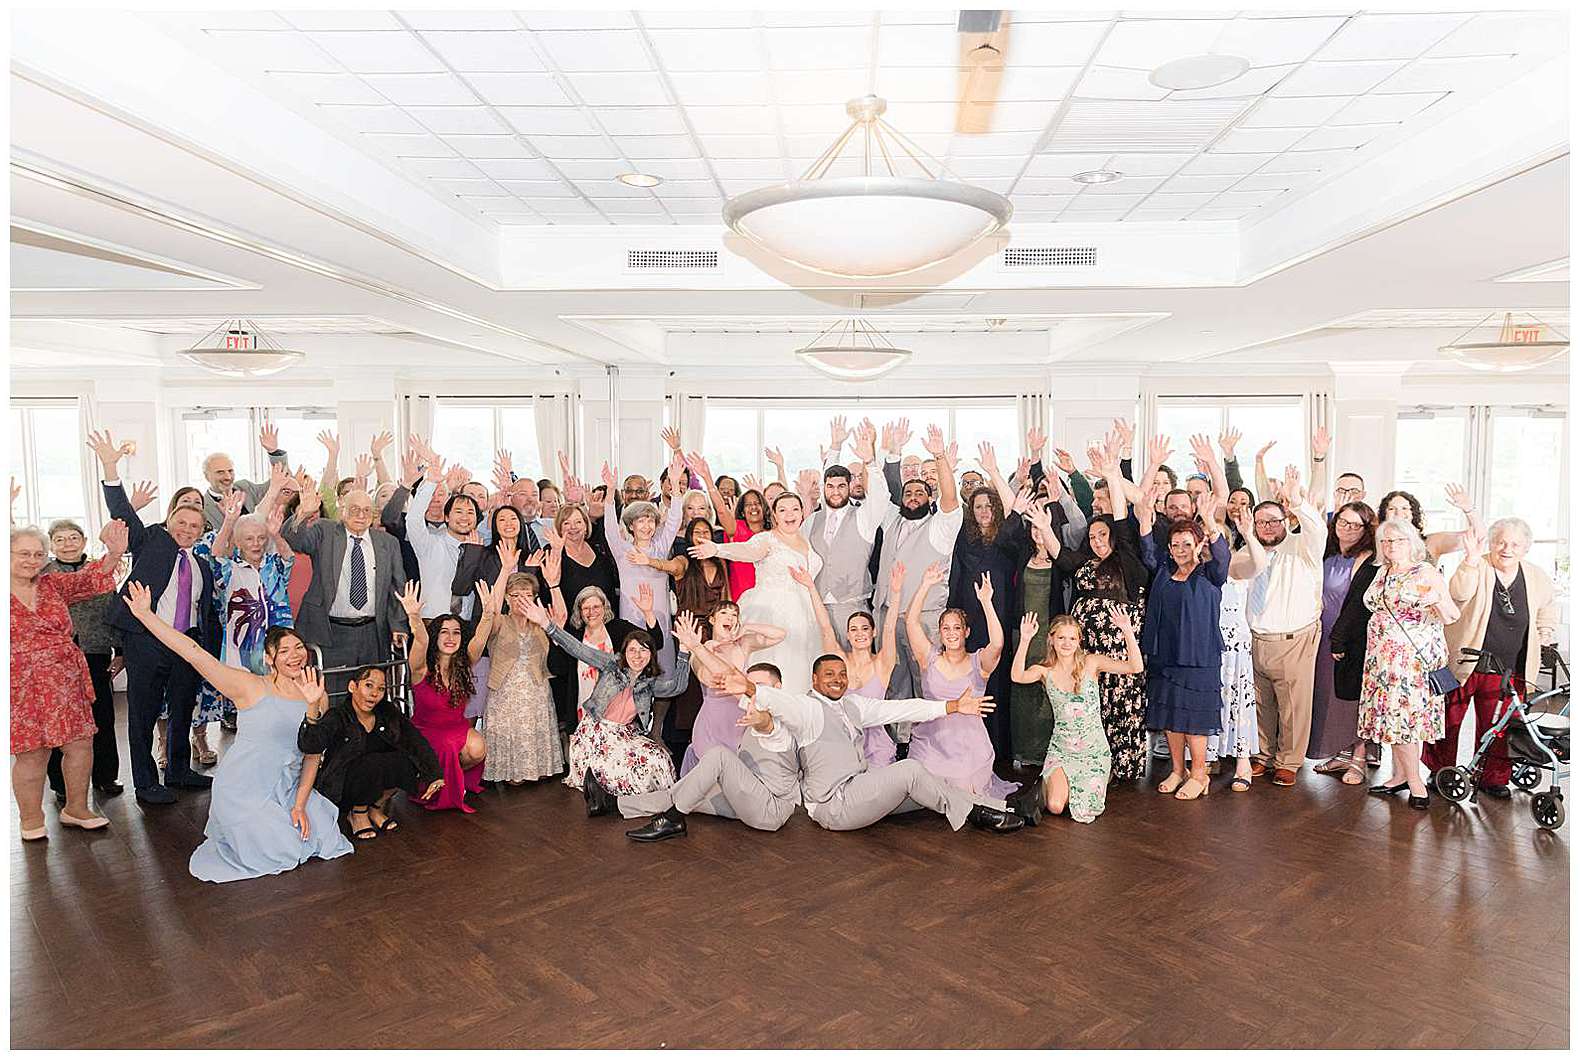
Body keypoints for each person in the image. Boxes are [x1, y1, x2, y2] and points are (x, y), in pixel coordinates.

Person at [121, 583, 351, 881]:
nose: (294, 656)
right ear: (270, 658)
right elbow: (194, 654)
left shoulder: (316, 693)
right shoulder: (249, 686)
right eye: (284, 651)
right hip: (244, 789)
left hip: (288, 787)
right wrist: (145, 615)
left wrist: (300, 804)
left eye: (298, 648)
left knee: (323, 839)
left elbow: (312, 753)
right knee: (279, 850)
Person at [712, 655, 1031, 833]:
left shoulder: (854, 705)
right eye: (828, 674)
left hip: (860, 791)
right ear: (814, 681)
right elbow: (781, 703)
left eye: (841, 674)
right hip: (834, 806)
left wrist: (951, 707)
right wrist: (752, 689)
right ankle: (980, 816)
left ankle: (1001, 808)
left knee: (932, 786)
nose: (837, 679)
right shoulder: (808, 709)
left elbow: (901, 708)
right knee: (910, 771)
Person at [89, 430, 219, 805]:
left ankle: (178, 770)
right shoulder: (152, 542)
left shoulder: (201, 566)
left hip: (185, 646)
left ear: (201, 531)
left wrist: (205, 651)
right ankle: (145, 784)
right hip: (145, 643)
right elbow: (122, 514)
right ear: (169, 521)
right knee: (143, 714)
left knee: (182, 709)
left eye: (195, 527)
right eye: (182, 523)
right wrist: (111, 467)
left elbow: (204, 613)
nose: (187, 530)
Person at [1428, 517, 1561, 799]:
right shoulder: (1479, 564)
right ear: (1491, 542)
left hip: (1511, 663)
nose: (1506, 548)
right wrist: (1470, 561)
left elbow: (1548, 606)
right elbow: (1457, 594)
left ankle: (1493, 777)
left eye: (1514, 544)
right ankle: (1440, 770)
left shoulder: (1535, 575)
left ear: (1526, 547)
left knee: (1499, 725)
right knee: (1450, 717)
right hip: (1469, 658)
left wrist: (1545, 631)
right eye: (1500, 541)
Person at [11, 521, 128, 840]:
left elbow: (88, 579)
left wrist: (114, 553)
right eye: (22, 553)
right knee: (32, 753)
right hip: (20, 685)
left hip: (65, 679)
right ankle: (31, 818)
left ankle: (76, 808)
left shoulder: (51, 585)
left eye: (37, 553)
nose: (31, 560)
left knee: (80, 744)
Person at [525, 599, 693, 807]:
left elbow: (677, 687)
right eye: (632, 650)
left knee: (658, 758)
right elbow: (577, 649)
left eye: (643, 651)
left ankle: (662, 803)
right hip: (595, 732)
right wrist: (547, 625)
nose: (638, 656)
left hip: (625, 734)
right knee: (621, 767)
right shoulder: (611, 665)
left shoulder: (649, 683)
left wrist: (685, 650)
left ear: (651, 656)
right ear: (624, 653)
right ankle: (607, 797)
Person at [1050, 438, 1151, 782]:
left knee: (1120, 705)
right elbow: (1061, 557)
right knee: (1093, 707)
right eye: (1092, 536)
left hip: (1119, 648)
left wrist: (1112, 473)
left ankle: (1122, 766)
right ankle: (1094, 762)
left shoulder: (1128, 562)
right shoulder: (1086, 561)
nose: (1096, 540)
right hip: (1089, 651)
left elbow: (1122, 524)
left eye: (1102, 535)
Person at [617, 662, 800, 841]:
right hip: (748, 797)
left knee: (718, 755)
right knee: (685, 793)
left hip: (770, 809)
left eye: (759, 686)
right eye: (749, 687)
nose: (753, 693)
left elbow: (770, 728)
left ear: (778, 687)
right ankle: (614, 804)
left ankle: (673, 820)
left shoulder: (783, 718)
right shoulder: (751, 713)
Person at [1231, 465, 1326, 787]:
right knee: (1260, 704)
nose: (1268, 527)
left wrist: (1297, 499)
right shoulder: (1248, 549)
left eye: (1274, 521)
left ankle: (1289, 761)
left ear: (1287, 521)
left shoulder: (1304, 546)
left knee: (1293, 707)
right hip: (1255, 638)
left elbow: (1317, 528)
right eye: (1261, 522)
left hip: (1294, 638)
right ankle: (1263, 755)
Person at [190, 485, 295, 768]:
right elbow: (215, 555)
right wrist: (229, 522)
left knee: (281, 706)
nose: (257, 543)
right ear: (239, 542)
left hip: (280, 648)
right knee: (250, 709)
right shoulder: (229, 570)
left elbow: (289, 557)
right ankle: (252, 762)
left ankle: (281, 758)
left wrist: (275, 534)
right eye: (249, 538)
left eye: (261, 538)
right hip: (244, 650)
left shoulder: (274, 564)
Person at [1138, 486, 1231, 800]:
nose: (1180, 549)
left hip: (1199, 658)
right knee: (1170, 716)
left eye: (1187, 544)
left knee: (1194, 718)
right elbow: (1147, 550)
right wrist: (1144, 515)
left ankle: (1199, 773)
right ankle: (1177, 770)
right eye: (1175, 544)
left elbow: (1223, 557)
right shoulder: (1163, 571)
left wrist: (1208, 518)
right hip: (1165, 657)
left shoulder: (1210, 574)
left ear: (1199, 544)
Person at [1360, 519, 1460, 809]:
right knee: (1391, 719)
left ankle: (1416, 784)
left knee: (1405, 722)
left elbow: (1451, 614)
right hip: (1380, 661)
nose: (1391, 546)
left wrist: (1434, 599)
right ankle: (1400, 775)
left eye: (1398, 540)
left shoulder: (1424, 571)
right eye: (1386, 541)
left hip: (1410, 662)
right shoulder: (1382, 572)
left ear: (1412, 542)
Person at [1010, 606, 1142, 822]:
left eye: (1072, 638)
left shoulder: (1092, 663)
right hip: (1062, 750)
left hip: (1093, 752)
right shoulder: (1045, 670)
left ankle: (1093, 776)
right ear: (1051, 639)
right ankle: (1047, 783)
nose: (1066, 643)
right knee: (1055, 806)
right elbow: (1017, 676)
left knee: (1082, 811)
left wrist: (1127, 630)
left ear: (1079, 640)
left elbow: (1135, 667)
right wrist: (1025, 640)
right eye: (1061, 637)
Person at [690, 490, 822, 696]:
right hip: (772, 611)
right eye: (783, 510)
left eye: (795, 509)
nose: (790, 514)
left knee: (803, 667)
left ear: (802, 513)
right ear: (774, 515)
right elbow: (747, 551)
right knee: (773, 665)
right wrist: (718, 549)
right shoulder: (767, 539)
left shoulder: (806, 540)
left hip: (806, 613)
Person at [903, 564, 1017, 799]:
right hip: (931, 743)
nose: (951, 632)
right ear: (940, 633)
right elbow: (911, 623)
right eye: (946, 628)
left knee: (963, 791)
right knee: (921, 788)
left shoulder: (979, 663)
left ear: (966, 632)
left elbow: (997, 644)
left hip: (968, 747)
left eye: (957, 627)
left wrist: (986, 602)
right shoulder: (929, 658)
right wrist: (925, 584)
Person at [871, 422, 964, 700]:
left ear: (929, 498)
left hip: (924, 618)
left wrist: (939, 457)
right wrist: (888, 452)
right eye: (908, 493)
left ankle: (928, 741)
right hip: (888, 615)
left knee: (927, 682)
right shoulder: (891, 521)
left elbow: (950, 497)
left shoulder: (941, 527)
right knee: (893, 683)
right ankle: (900, 741)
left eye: (919, 493)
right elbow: (879, 490)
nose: (912, 497)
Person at [298, 664, 442, 839]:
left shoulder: (387, 711)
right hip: (343, 786)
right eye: (369, 685)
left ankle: (374, 808)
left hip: (373, 781)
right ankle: (357, 814)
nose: (374, 693)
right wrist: (313, 706)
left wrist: (435, 773)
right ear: (353, 687)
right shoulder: (338, 715)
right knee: (370, 764)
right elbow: (310, 745)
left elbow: (414, 740)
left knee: (406, 760)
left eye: (380, 689)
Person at [284, 484, 408, 688]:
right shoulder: (325, 530)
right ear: (343, 511)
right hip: (331, 631)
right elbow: (297, 541)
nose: (361, 515)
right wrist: (303, 513)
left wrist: (398, 625)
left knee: (370, 693)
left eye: (366, 510)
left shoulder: (388, 542)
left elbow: (397, 588)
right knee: (333, 695)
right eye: (354, 509)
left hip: (372, 633)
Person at [792, 562, 906, 768]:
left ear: (873, 633)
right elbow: (825, 627)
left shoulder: (882, 664)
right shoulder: (839, 661)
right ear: (848, 635)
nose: (859, 633)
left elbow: (889, 628)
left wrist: (896, 593)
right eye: (854, 629)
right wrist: (810, 586)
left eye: (864, 628)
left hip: (876, 747)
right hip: (843, 744)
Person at [42, 519, 124, 802]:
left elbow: (113, 610)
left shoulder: (99, 571)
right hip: (56, 659)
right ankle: (62, 784)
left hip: (96, 651)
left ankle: (105, 776)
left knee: (102, 717)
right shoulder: (43, 575)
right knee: (59, 722)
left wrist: (120, 650)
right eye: (60, 539)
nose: (67, 544)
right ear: (51, 545)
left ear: (84, 541)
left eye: (73, 538)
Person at [398, 582, 490, 814]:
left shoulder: (464, 663)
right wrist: (414, 617)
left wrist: (488, 613)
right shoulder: (421, 668)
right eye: (444, 632)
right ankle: (433, 780)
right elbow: (420, 641)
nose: (451, 637)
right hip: (426, 730)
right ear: (435, 636)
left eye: (456, 632)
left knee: (478, 749)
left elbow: (480, 639)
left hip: (455, 727)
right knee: (448, 747)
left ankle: (451, 780)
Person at [799, 422, 892, 646]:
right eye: (830, 486)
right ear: (824, 488)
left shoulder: (864, 518)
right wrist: (835, 446)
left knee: (855, 669)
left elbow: (881, 496)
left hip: (853, 607)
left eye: (841, 486)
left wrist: (869, 462)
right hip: (816, 606)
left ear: (850, 486)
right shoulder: (811, 521)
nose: (836, 491)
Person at [1308, 502, 1379, 785]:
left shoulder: (1368, 558)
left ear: (1365, 529)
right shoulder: (1328, 553)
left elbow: (1358, 605)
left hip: (1349, 635)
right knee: (1330, 698)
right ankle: (1340, 753)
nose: (1347, 529)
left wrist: (1342, 637)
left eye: (1355, 524)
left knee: (1353, 698)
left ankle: (1359, 758)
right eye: (1342, 522)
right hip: (1321, 632)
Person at [670, 601, 785, 774]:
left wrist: (747, 627)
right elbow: (710, 679)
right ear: (712, 619)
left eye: (734, 615)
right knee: (712, 773)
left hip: (740, 719)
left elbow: (780, 634)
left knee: (737, 774)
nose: (730, 618)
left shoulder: (743, 644)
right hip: (713, 723)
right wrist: (699, 647)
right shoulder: (703, 648)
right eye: (724, 613)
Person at [604, 451, 686, 678]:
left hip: (659, 616)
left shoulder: (660, 548)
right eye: (641, 521)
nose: (647, 526)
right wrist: (611, 491)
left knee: (663, 673)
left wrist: (677, 487)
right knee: (633, 673)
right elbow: (610, 527)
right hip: (631, 616)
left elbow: (674, 520)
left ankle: (658, 715)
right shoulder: (623, 551)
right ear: (631, 526)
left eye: (650, 520)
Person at [479, 570, 565, 785]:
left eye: (526, 595)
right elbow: (492, 610)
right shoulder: (500, 622)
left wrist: (554, 585)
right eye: (515, 595)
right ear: (507, 598)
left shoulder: (540, 622)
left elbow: (561, 618)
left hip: (536, 685)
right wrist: (505, 568)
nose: (520, 600)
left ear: (534, 598)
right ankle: (512, 772)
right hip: (506, 689)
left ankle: (539, 768)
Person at [1212, 509, 1266, 792]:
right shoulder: (1195, 566)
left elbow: (1260, 564)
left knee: (1237, 699)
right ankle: (1209, 756)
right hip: (1206, 644)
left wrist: (1248, 534)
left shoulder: (1236, 563)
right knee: (1210, 700)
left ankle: (1243, 760)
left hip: (1234, 644)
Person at [407, 462, 482, 620]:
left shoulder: (479, 550)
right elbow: (413, 519)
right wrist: (430, 483)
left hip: (466, 623)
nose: (464, 517)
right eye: (458, 511)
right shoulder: (429, 544)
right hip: (431, 620)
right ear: (447, 517)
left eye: (470, 513)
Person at [198, 419, 289, 531]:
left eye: (230, 471)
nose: (227, 477)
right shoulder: (201, 506)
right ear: (206, 476)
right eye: (220, 472)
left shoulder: (246, 487)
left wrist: (274, 452)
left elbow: (283, 481)